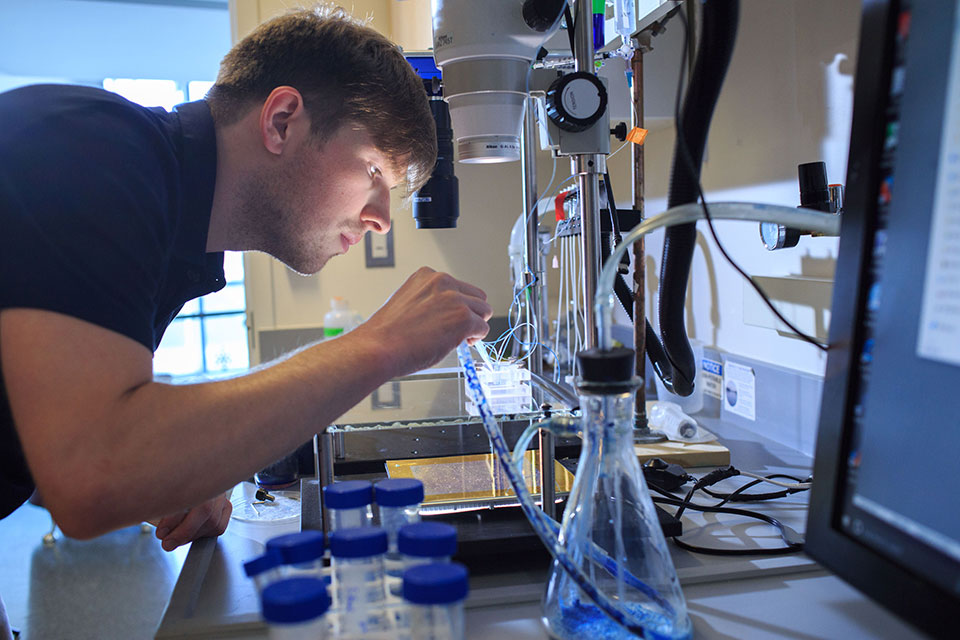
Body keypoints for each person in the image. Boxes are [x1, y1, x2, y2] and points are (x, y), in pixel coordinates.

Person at [0, 5, 491, 556]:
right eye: (375, 170)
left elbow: (42, 431)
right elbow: (89, 478)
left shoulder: (164, 228)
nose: (382, 218)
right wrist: (383, 344)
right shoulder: (93, 150)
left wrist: (176, 467)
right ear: (282, 121)